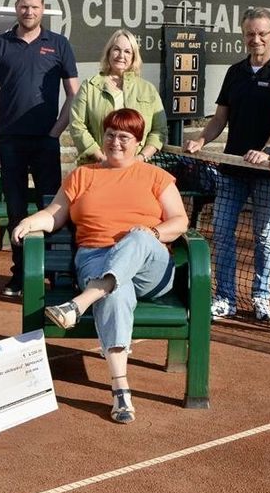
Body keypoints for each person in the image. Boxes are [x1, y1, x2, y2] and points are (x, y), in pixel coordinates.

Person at [12, 108, 188, 424]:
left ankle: (80, 303)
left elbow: (179, 221)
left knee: (137, 236)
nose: (115, 142)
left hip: (150, 263)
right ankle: (121, 391)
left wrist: (153, 233)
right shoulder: (83, 175)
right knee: (114, 294)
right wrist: (28, 221)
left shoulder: (155, 177)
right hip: (96, 259)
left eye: (124, 137)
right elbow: (55, 213)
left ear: (138, 142)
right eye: (110, 135)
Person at [183, 8, 270, 322]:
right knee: (221, 232)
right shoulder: (235, 72)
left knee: (264, 236)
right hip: (232, 169)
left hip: (266, 172)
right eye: (250, 33)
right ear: (243, 35)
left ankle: (262, 297)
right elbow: (219, 119)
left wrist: (266, 151)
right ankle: (225, 297)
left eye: (262, 33)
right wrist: (201, 140)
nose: (256, 39)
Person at [0, 0, 79, 296]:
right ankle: (21, 273)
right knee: (16, 209)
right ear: (16, 8)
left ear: (42, 9)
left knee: (50, 207)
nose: (29, 12)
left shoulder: (59, 44)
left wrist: (56, 131)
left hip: (45, 142)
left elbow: (74, 95)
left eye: (35, 7)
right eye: (24, 6)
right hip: (9, 141)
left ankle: (54, 273)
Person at [69, 29, 167, 165]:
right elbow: (77, 125)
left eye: (127, 51)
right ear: (109, 52)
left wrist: (140, 158)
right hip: (97, 166)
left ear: (134, 56)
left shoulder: (148, 89)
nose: (121, 55)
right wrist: (102, 158)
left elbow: (159, 131)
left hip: (135, 170)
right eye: (116, 49)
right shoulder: (89, 86)